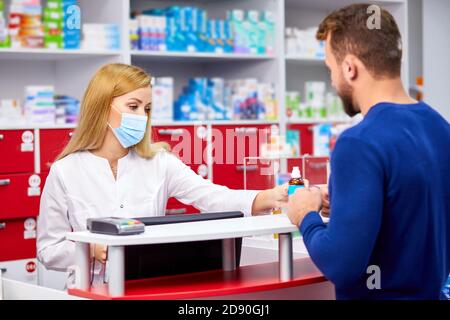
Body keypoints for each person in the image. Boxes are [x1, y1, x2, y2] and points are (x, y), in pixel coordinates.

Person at [37, 63, 288, 284]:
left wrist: (264, 198)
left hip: (147, 285)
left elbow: (210, 196)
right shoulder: (66, 171)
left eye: (146, 109)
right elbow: (48, 249)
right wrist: (88, 249)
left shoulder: (159, 162)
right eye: (133, 106)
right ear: (102, 107)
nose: (142, 117)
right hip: (89, 290)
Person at [287, 4, 450, 299]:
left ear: (350, 67)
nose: (333, 81)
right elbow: (413, 215)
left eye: (330, 69)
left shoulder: (359, 142)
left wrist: (305, 215)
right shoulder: (440, 127)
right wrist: (349, 207)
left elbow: (341, 264)